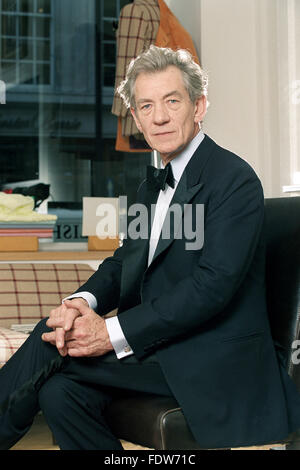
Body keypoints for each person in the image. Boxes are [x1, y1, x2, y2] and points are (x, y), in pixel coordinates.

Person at [1, 45, 300, 450]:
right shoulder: (150, 187)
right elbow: (124, 262)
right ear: (137, 118)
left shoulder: (234, 180)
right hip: (163, 346)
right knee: (60, 392)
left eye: (171, 101)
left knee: (49, 343)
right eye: (145, 106)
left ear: (199, 106)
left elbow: (211, 287)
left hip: (213, 360)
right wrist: (80, 301)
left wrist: (109, 333)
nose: (158, 116)